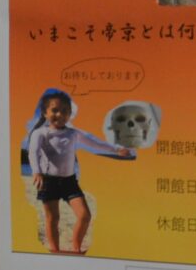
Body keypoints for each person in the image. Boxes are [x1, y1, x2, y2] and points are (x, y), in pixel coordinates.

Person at [22, 88, 134, 254]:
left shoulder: (73, 134)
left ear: (70, 114)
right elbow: (33, 152)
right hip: (48, 181)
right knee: (53, 218)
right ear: (45, 113)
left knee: (84, 215)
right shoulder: (40, 133)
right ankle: (55, 251)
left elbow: (95, 144)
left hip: (69, 181)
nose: (60, 114)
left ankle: (76, 248)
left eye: (65, 111)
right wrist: (37, 172)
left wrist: (116, 150)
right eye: (55, 110)